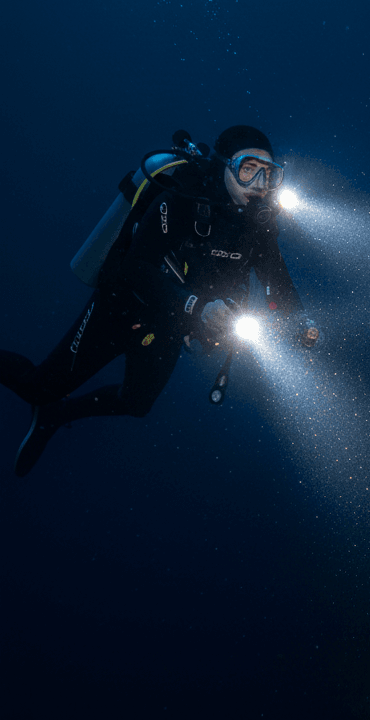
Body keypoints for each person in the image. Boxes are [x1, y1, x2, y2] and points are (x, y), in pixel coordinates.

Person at [0, 125, 318, 477]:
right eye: (248, 169)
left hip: (168, 326)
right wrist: (197, 307)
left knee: (136, 403)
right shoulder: (181, 196)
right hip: (120, 307)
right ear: (225, 166)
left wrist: (300, 322)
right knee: (39, 387)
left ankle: (56, 415)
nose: (259, 183)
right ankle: (47, 402)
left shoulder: (258, 225)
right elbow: (136, 266)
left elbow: (278, 278)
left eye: (269, 172)